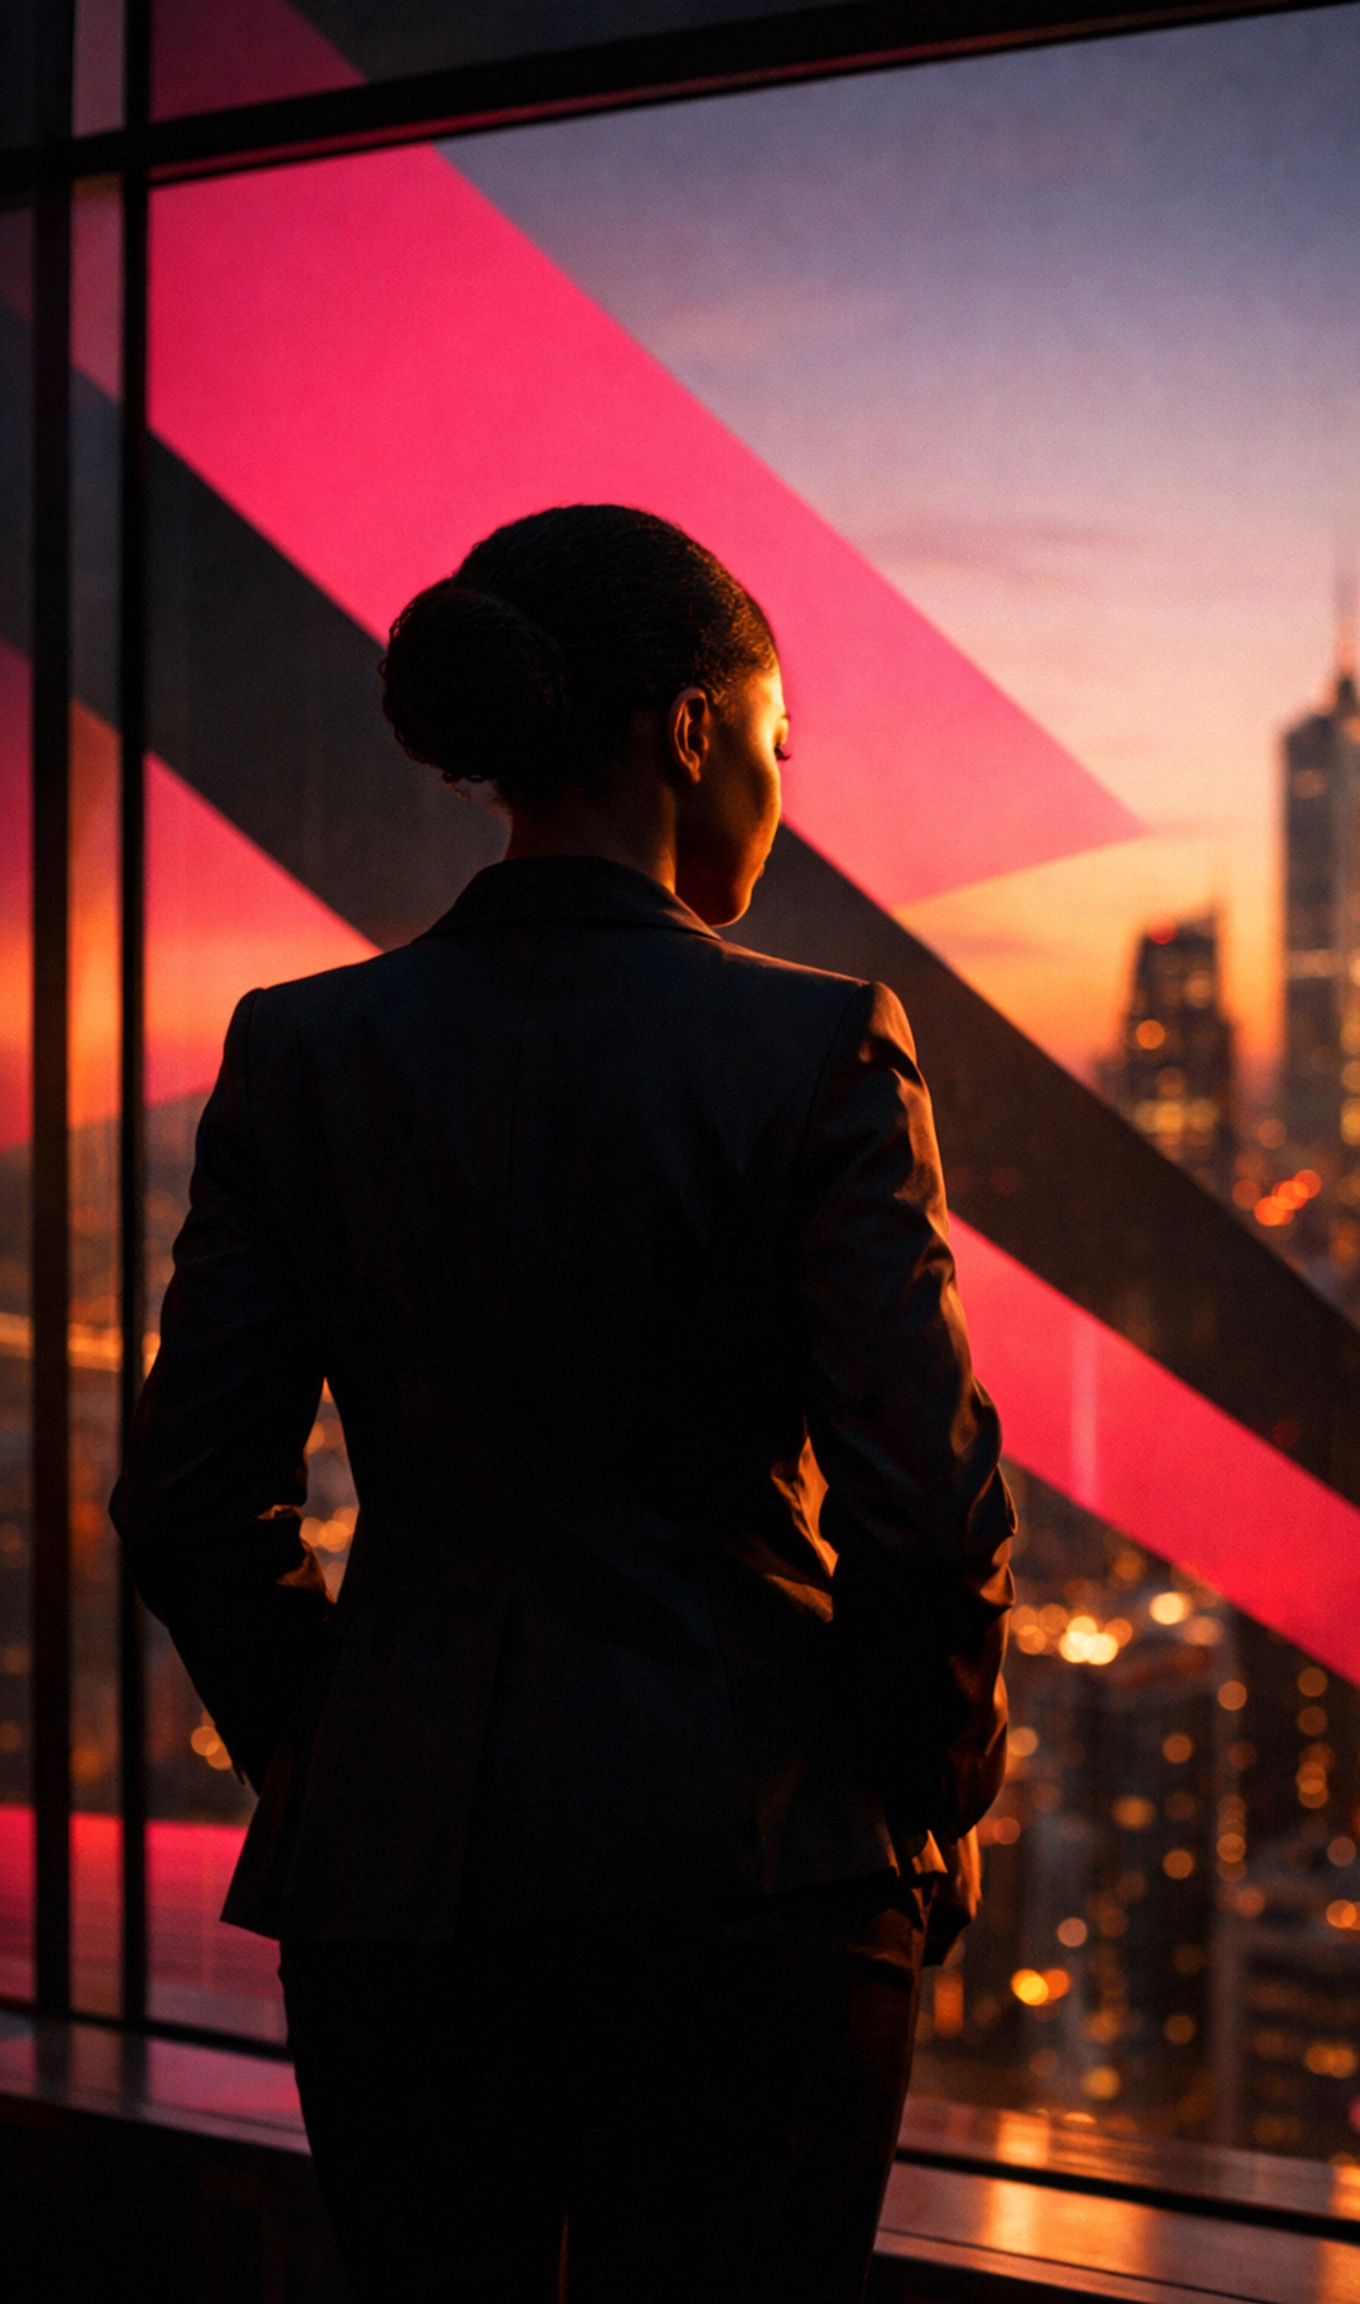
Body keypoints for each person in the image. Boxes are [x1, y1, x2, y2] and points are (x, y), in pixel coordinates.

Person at [112, 504, 1015, 2302]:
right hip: (750, 1881)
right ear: (690, 729)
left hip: (400, 1908)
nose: (778, 778)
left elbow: (191, 1501)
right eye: (776, 733)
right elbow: (925, 1506)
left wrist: (346, 1753)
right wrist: (920, 1803)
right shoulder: (820, 1043)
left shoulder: (303, 1048)